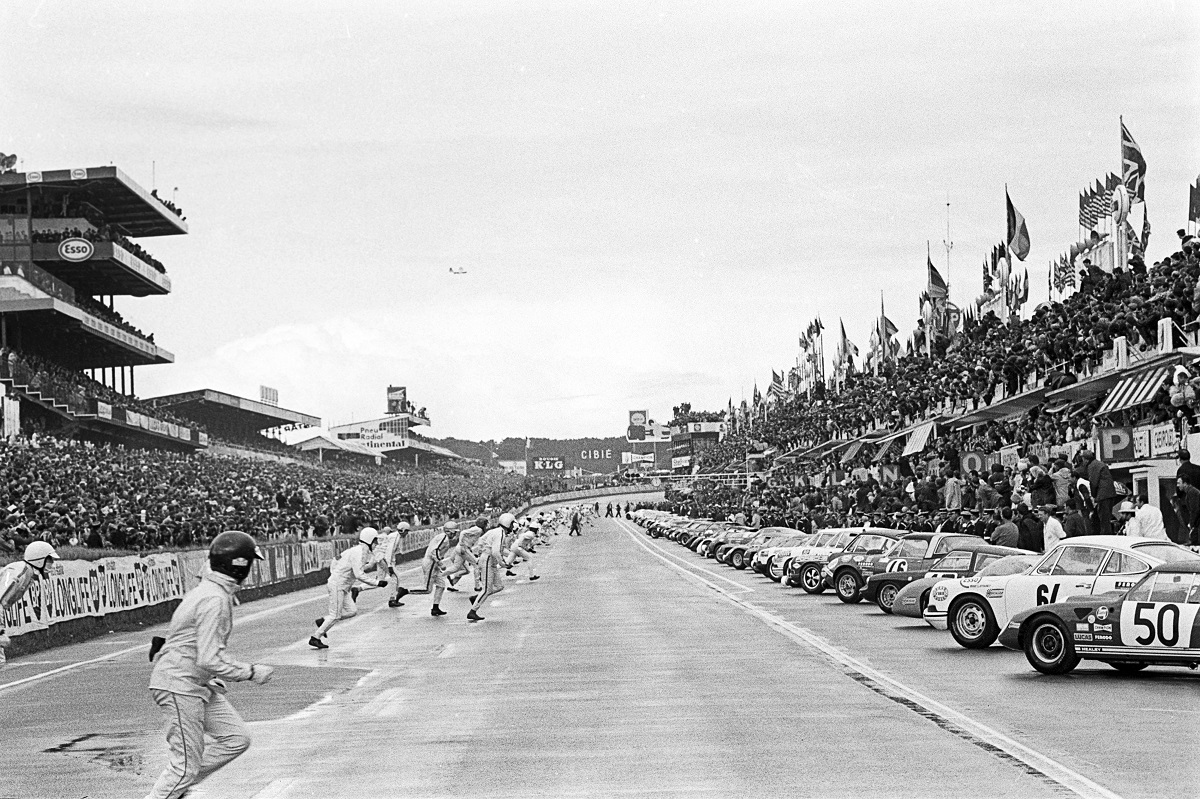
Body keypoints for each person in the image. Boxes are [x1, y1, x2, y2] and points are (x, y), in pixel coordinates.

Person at [144, 531, 275, 799]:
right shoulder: (214, 598)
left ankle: (178, 784)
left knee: (236, 739)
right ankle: (177, 781)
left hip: (193, 681)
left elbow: (191, 646)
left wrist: (207, 676)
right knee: (184, 768)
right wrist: (250, 672)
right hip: (179, 684)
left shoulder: (208, 590)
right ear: (240, 565)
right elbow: (209, 658)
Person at [311, 527, 387, 648]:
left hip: (343, 586)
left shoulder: (359, 551)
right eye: (375, 541)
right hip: (338, 585)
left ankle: (324, 621)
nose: (376, 544)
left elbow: (338, 561)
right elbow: (359, 574)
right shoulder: (359, 552)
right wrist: (377, 583)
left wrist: (371, 564)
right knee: (335, 615)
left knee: (352, 611)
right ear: (369, 540)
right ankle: (316, 637)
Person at [0, 541, 58, 668]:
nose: (52, 564)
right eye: (49, 560)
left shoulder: (28, 573)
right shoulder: (19, 571)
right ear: (39, 559)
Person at [403, 521, 459, 616]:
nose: (454, 534)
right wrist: (440, 563)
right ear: (449, 531)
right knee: (427, 589)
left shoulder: (442, 537)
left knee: (441, 585)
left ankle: (435, 608)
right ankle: (405, 591)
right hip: (431, 562)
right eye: (453, 532)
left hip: (433, 563)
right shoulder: (444, 538)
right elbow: (434, 551)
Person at [469, 512, 514, 622]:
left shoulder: (495, 531)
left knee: (499, 586)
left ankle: (477, 597)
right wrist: (503, 563)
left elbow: (482, 541)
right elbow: (496, 551)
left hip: (488, 559)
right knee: (487, 588)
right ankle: (473, 611)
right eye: (512, 524)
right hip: (488, 560)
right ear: (508, 524)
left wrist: (481, 552)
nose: (513, 526)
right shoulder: (500, 533)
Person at [1081, 451, 1117, 535]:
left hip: (1103, 495)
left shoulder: (1092, 465)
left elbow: (1093, 482)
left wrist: (1094, 495)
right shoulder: (1099, 463)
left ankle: (1105, 537)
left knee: (1103, 520)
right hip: (1110, 493)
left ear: (1085, 459)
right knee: (1106, 518)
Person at [1170, 478, 1200, 546]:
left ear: (1185, 483)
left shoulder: (1192, 492)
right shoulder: (1191, 492)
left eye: (1179, 483)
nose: (1177, 485)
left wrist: (1191, 525)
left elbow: (1194, 510)